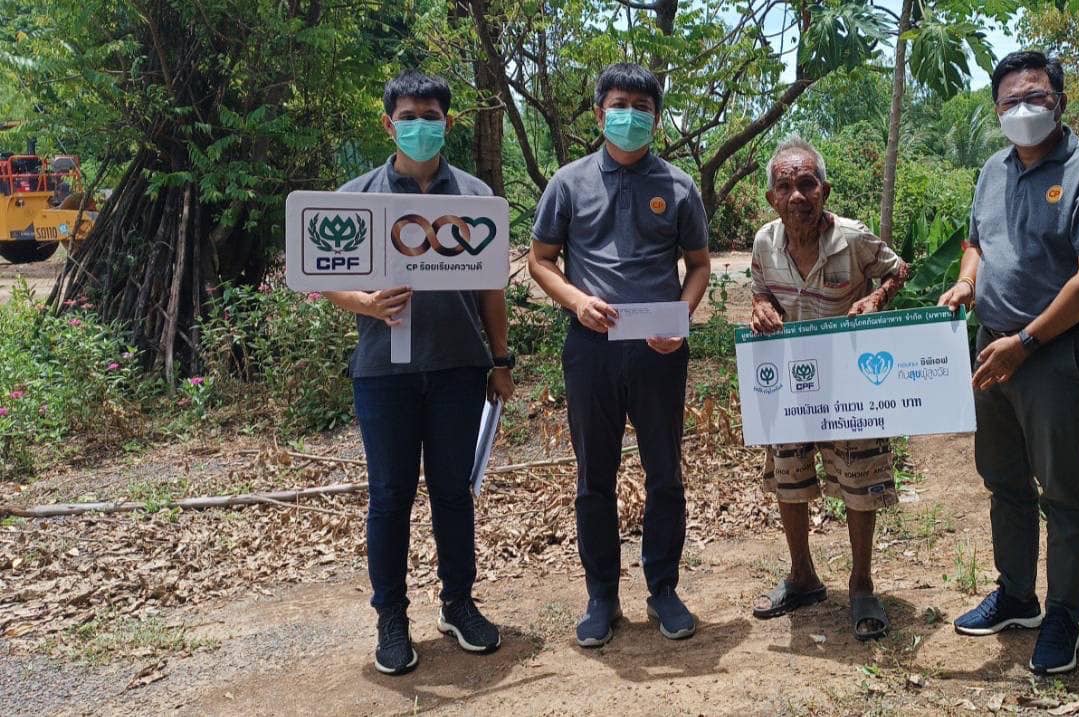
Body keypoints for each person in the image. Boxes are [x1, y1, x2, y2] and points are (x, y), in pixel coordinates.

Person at [936, 51, 1079, 675]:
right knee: (1003, 479)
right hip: (992, 348)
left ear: (1060, 101)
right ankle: (1018, 595)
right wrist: (967, 282)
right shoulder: (993, 170)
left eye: (1036, 97)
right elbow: (977, 241)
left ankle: (1065, 616)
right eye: (1010, 101)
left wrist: (1027, 342)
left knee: (1063, 491)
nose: (1023, 109)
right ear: (996, 109)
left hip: (1053, 354)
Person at [324, 69, 515, 676]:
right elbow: (324, 277)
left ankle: (458, 604)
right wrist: (365, 302)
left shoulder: (477, 199)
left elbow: (491, 291)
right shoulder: (355, 198)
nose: (420, 127)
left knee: (453, 492)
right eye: (408, 118)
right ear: (389, 124)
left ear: (448, 123)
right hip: (383, 374)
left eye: (431, 118)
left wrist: (501, 360)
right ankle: (391, 617)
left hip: (459, 369)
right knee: (390, 495)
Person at [528, 62, 712, 647]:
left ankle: (663, 589)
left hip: (660, 350)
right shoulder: (568, 183)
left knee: (665, 474)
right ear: (598, 113)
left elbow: (699, 266)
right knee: (594, 477)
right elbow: (540, 260)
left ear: (657, 118)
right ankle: (601, 596)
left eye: (642, 107)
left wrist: (680, 317)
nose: (630, 116)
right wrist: (577, 301)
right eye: (619, 105)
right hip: (591, 350)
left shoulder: (679, 187)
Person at [747, 136, 910, 641]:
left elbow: (898, 269)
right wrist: (760, 307)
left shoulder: (854, 238)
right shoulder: (764, 243)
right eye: (785, 187)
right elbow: (759, 290)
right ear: (772, 197)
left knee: (859, 481)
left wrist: (877, 298)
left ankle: (861, 585)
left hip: (853, 384)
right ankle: (803, 577)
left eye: (806, 183)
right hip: (791, 385)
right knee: (789, 477)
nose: (797, 195)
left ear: (824, 190)